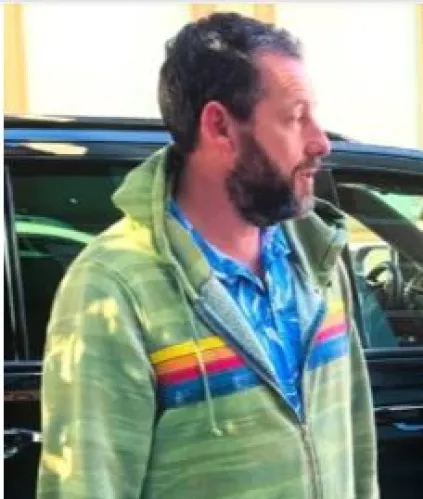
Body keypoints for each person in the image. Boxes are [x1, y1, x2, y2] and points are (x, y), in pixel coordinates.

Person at [36, 12, 378, 498]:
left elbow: (357, 449)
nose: (320, 141)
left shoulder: (316, 258)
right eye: (295, 117)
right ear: (220, 126)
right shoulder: (113, 286)